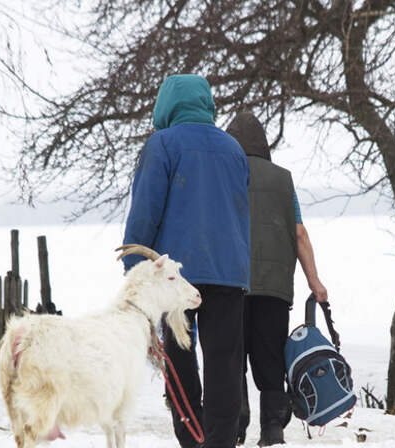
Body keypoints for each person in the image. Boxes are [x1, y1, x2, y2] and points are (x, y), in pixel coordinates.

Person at [121, 74, 250, 448]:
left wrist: (135, 275)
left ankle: (193, 438)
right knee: (225, 363)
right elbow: (241, 212)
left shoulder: (162, 145)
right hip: (228, 272)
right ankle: (220, 442)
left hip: (174, 280)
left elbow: (144, 214)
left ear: (167, 104)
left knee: (178, 361)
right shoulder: (233, 149)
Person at [226, 111, 328, 447]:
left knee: (232, 354)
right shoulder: (283, 180)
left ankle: (236, 423)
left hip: (229, 282)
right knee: (270, 357)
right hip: (274, 287)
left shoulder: (223, 174)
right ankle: (272, 429)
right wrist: (315, 282)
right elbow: (299, 234)